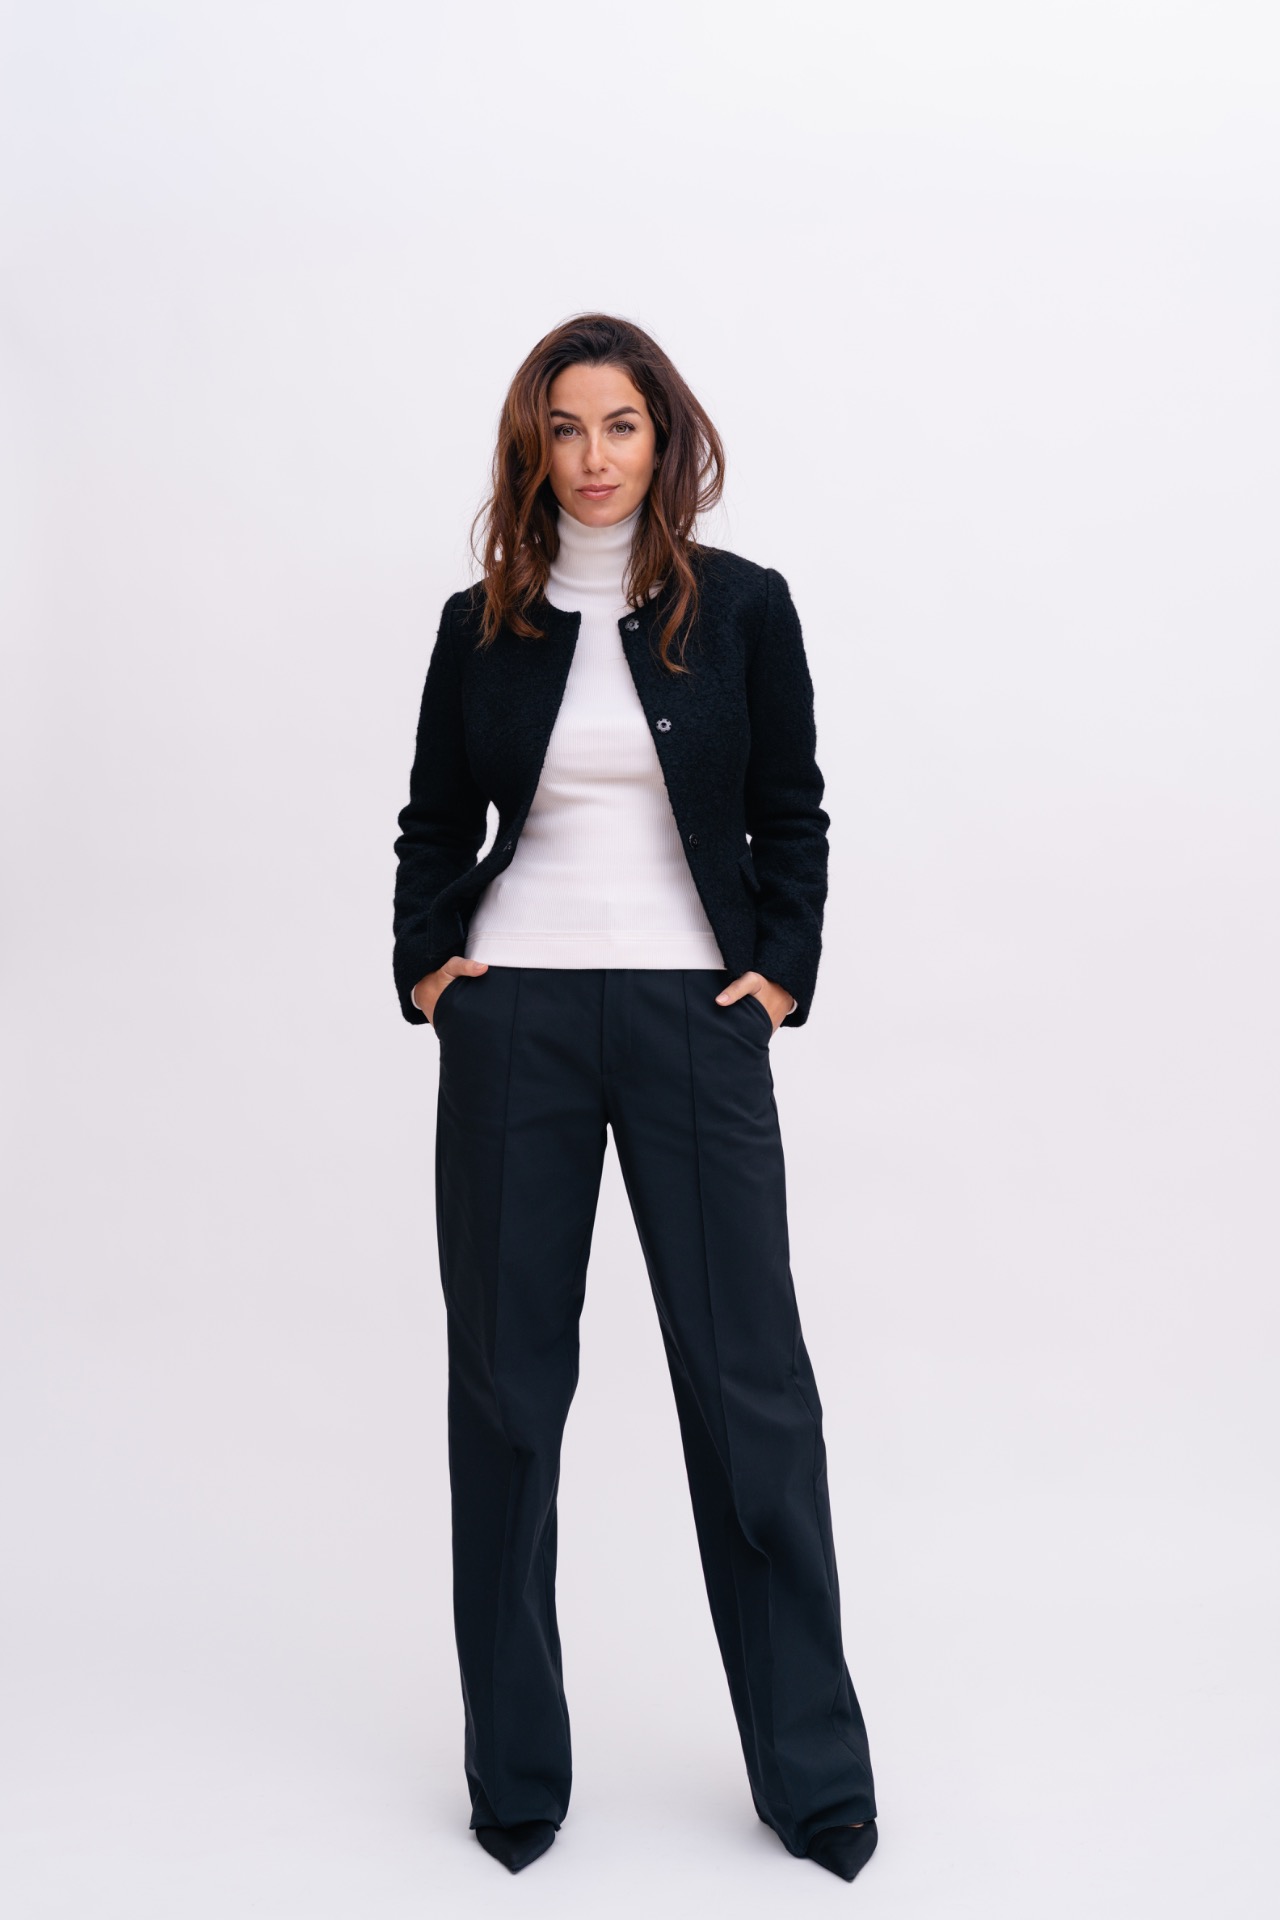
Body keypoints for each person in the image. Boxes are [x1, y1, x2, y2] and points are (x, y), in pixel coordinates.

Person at [391, 313, 878, 1882]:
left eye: (620, 425)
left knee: (753, 1395)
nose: (592, 456)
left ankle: (814, 1779)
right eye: (565, 428)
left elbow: (793, 809)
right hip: (515, 1024)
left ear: (665, 439)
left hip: (693, 1020)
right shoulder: (482, 624)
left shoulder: (744, 611)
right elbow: (431, 819)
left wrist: (781, 972)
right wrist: (431, 972)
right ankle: (516, 1778)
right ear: (531, 449)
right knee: (507, 1397)